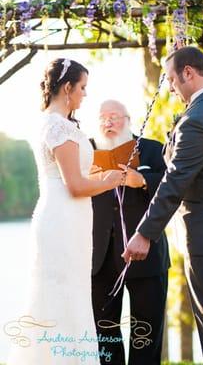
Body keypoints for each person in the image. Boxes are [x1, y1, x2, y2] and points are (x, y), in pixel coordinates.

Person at [123, 47, 203, 365]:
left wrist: (144, 233)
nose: (171, 88)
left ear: (189, 73)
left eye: (173, 80)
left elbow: (175, 182)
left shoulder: (197, 120)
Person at [7, 59, 123, 365]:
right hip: (63, 218)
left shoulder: (54, 122)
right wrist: (108, 181)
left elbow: (71, 174)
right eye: (82, 87)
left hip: (67, 218)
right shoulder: (58, 125)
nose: (85, 94)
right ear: (67, 87)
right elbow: (74, 185)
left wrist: (94, 172)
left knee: (68, 292)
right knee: (64, 294)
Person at [90, 100, 170, 365]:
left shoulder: (151, 149)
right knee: (105, 335)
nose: (108, 122)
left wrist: (143, 179)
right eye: (102, 117)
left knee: (146, 334)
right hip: (99, 259)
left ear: (129, 119)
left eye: (114, 117)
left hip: (146, 256)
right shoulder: (85, 151)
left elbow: (174, 189)